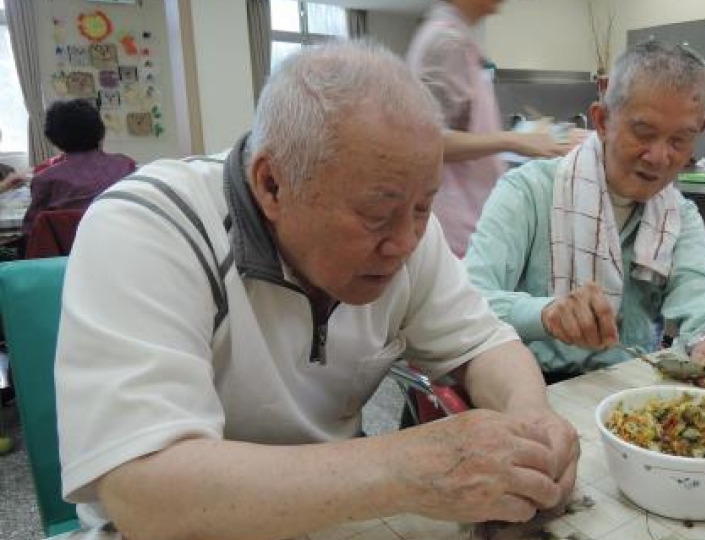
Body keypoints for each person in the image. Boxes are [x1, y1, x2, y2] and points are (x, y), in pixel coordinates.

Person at [55, 42, 578, 539]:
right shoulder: (149, 227)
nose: (405, 242)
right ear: (272, 184)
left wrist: (532, 419)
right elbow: (144, 495)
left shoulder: (406, 228)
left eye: (424, 206)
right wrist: (407, 467)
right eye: (376, 213)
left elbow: (484, 344)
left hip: (338, 512)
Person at [464, 41, 705, 396]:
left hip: (630, 385)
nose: (658, 157)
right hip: (529, 386)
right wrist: (545, 313)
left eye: (679, 140)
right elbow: (469, 301)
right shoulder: (529, 192)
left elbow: (699, 285)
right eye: (643, 133)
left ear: (700, 130)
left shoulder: (677, 214)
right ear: (602, 120)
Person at [407, 0, 573, 257]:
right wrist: (513, 140)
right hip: (455, 232)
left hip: (472, 222)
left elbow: (463, 127)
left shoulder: (460, 40)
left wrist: (526, 135)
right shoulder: (445, 41)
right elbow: (428, 140)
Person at [21, 98, 136, 238]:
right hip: (123, 240)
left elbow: (32, 229)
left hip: (69, 249)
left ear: (53, 138)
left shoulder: (44, 179)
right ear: (101, 131)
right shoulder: (126, 165)